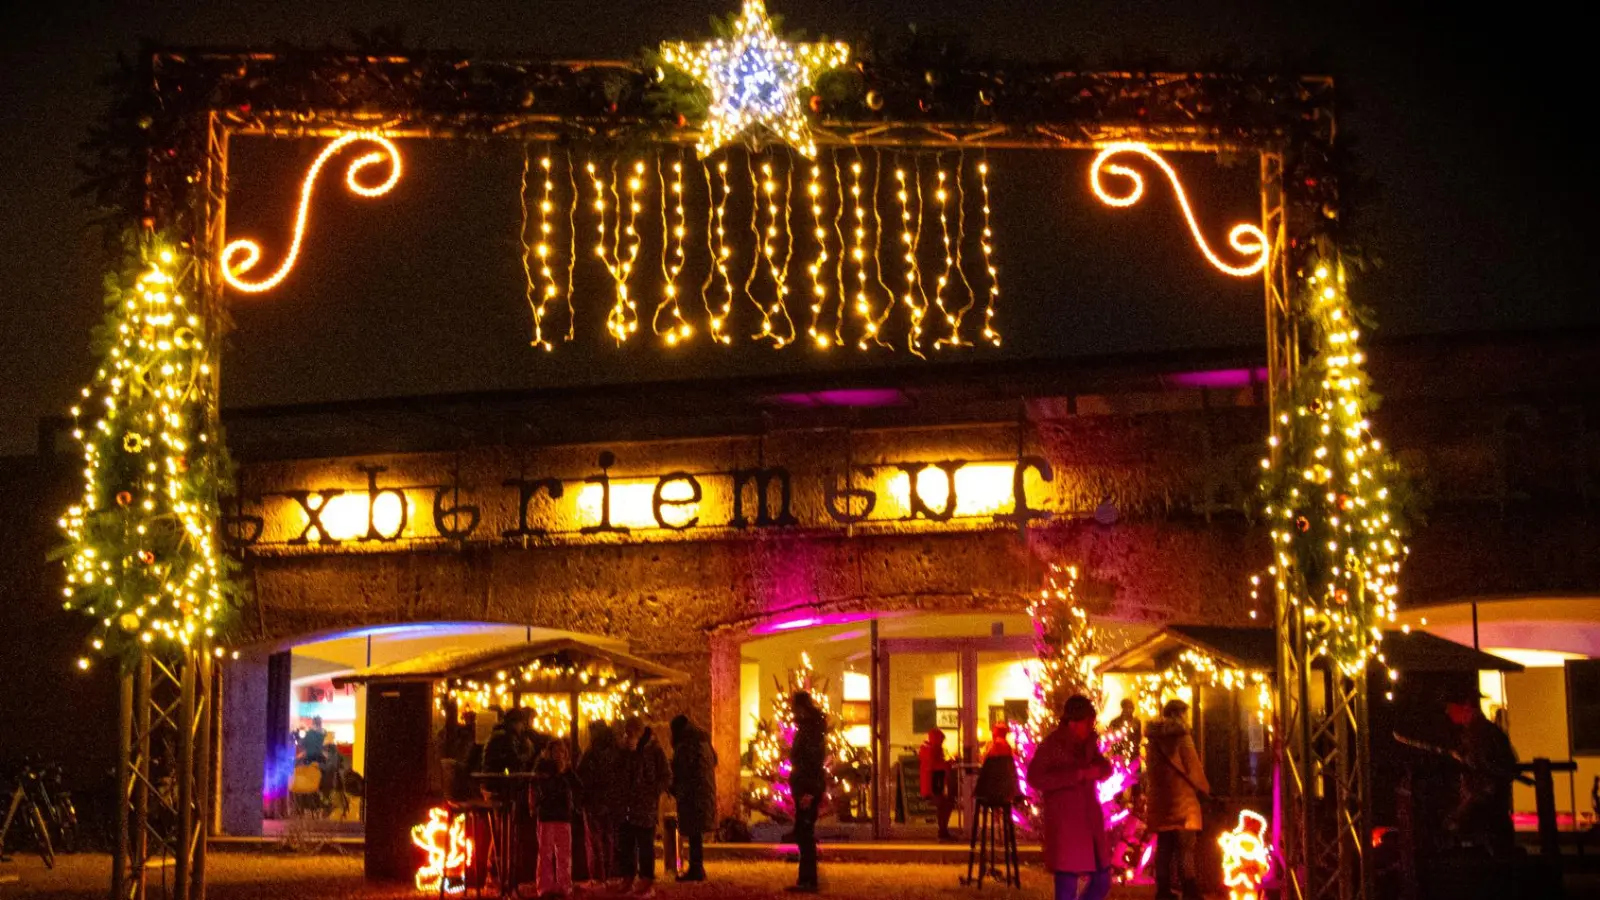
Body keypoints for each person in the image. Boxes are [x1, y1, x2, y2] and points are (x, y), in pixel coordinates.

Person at [1027, 694, 1114, 900]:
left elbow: (1105, 766)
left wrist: (1099, 770)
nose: (1091, 727)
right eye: (1088, 723)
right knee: (1067, 883)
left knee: (1102, 879)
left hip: (1089, 822)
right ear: (1074, 723)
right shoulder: (1052, 745)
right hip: (1066, 823)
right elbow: (1036, 777)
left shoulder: (1088, 744)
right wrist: (1077, 775)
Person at [1145, 698, 1210, 900]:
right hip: (1183, 801)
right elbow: (1193, 768)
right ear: (1181, 714)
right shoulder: (1182, 737)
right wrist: (1205, 789)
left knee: (1164, 847)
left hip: (1161, 801)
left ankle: (1163, 891)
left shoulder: (1153, 740)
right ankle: (1190, 891)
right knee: (1185, 849)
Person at [1442, 685, 1518, 856]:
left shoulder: (1480, 734)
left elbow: (1484, 774)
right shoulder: (1483, 732)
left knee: (1490, 851)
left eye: (1450, 706)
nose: (1448, 712)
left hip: (1485, 807)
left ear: (1466, 706)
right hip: (1490, 804)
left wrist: (1466, 805)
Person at [614, 717, 671, 898]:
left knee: (645, 844)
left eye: (632, 732)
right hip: (627, 805)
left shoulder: (653, 750)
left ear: (640, 731)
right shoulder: (623, 750)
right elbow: (617, 772)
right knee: (626, 844)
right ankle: (628, 877)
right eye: (627, 732)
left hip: (645, 806)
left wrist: (652, 791)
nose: (629, 735)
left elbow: (665, 775)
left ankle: (646, 880)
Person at [670, 714, 717, 882]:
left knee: (694, 831)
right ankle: (697, 866)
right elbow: (714, 761)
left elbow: (682, 769)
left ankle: (696, 868)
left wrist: (674, 785)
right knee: (695, 831)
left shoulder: (686, 744)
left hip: (693, 793)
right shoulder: (702, 740)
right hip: (704, 790)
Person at [788, 691, 827, 894]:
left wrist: (809, 792)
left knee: (805, 833)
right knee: (803, 832)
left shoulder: (810, 731)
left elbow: (811, 762)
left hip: (807, 786)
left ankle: (808, 880)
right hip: (805, 785)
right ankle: (805, 878)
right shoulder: (811, 728)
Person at [577, 721, 622, 889]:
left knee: (594, 839)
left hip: (594, 801)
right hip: (611, 801)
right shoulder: (615, 751)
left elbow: (581, 775)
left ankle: (597, 876)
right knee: (608, 838)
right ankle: (608, 874)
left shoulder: (592, 752)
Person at [535, 741, 581, 899]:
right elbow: (545, 789)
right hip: (547, 815)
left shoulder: (567, 771)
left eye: (562, 751)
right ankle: (545, 887)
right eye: (556, 751)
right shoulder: (543, 769)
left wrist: (566, 773)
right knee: (545, 853)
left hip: (563, 816)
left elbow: (578, 786)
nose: (559, 754)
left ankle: (564, 886)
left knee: (564, 853)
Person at [918, 727, 957, 841]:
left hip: (933, 784)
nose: (942, 743)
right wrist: (948, 764)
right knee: (945, 804)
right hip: (933, 786)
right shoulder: (932, 751)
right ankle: (943, 831)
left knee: (946, 804)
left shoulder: (928, 750)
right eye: (941, 741)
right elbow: (935, 768)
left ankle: (943, 831)